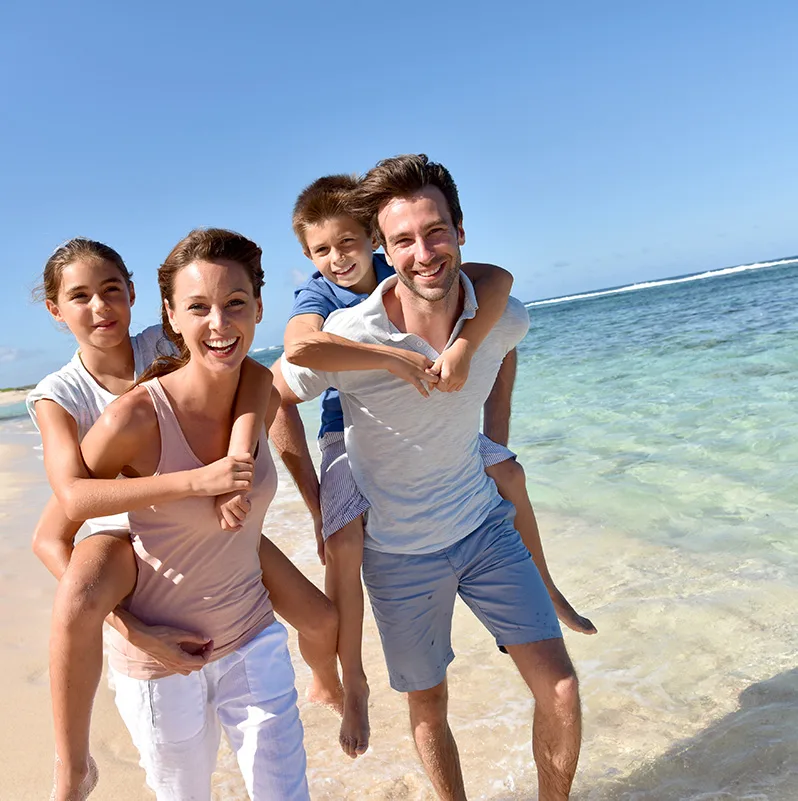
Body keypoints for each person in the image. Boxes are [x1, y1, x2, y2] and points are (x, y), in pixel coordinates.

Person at [274, 155, 585, 800]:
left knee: (561, 689)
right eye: (404, 240)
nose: (424, 252)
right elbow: (276, 389)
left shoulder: (498, 313)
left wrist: (495, 439)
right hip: (397, 555)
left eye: (435, 231)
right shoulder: (348, 334)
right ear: (386, 251)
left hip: (483, 530)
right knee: (429, 709)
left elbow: (508, 341)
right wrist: (305, 488)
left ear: (461, 230)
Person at [27, 235, 330, 800]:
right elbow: (63, 512)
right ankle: (72, 766)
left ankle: (333, 686)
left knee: (319, 616)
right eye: (81, 296)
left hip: (205, 521)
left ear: (137, 294)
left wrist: (243, 465)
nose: (100, 307)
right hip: (117, 533)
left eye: (112, 290)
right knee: (78, 597)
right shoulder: (60, 394)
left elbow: (255, 381)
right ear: (55, 309)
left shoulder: (168, 338)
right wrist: (130, 625)